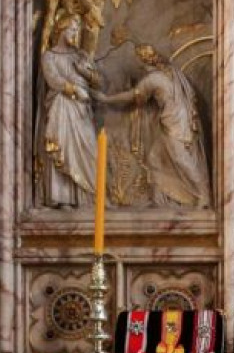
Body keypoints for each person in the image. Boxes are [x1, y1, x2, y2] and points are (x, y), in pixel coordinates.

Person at [100, 44, 211, 208]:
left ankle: (203, 194)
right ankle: (163, 199)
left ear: (143, 60)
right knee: (154, 157)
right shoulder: (172, 71)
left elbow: (132, 96)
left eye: (138, 59)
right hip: (183, 119)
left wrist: (106, 99)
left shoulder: (152, 79)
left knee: (181, 159)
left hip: (173, 123)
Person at [38, 13, 101, 207]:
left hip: (82, 111)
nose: (75, 33)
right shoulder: (49, 56)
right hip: (61, 108)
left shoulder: (80, 55)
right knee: (62, 148)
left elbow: (98, 81)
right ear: (61, 29)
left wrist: (85, 73)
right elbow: (53, 79)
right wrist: (74, 90)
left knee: (90, 149)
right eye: (72, 29)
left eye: (77, 30)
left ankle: (88, 196)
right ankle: (62, 198)